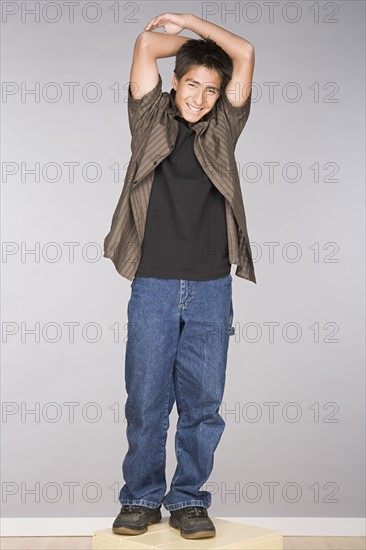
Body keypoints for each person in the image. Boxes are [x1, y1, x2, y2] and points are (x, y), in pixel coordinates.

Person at [103, 12, 256, 540]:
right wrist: (190, 42)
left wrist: (193, 21)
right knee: (146, 400)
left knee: (203, 405)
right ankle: (141, 498)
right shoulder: (149, 118)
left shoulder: (224, 127)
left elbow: (246, 53)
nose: (200, 97)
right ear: (175, 82)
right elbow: (146, 42)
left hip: (213, 285)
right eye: (192, 84)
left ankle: (189, 499)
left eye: (212, 89)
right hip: (155, 282)